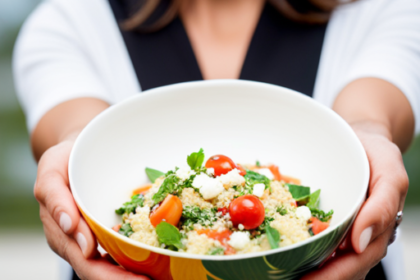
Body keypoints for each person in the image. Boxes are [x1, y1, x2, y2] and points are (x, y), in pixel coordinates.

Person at [13, 0, 420, 279]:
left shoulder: (379, 9)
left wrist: (365, 136)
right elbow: (83, 131)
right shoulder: (70, 22)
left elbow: (369, 111)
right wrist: (78, 157)